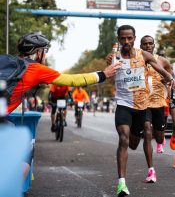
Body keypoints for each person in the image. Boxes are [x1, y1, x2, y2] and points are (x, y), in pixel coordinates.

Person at [6, 32, 121, 180]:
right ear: (38, 52)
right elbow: (72, 80)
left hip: (6, 119)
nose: (45, 56)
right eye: (45, 51)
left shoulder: (7, 63)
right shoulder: (35, 69)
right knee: (25, 151)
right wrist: (104, 74)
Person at [108, 25, 174, 197]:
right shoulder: (115, 57)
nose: (126, 41)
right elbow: (107, 72)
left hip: (142, 106)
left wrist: (170, 79)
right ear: (119, 39)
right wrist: (109, 65)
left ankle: (150, 149)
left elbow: (160, 70)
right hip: (123, 105)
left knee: (133, 143)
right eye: (123, 38)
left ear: (134, 38)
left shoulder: (143, 55)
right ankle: (121, 183)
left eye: (129, 38)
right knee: (123, 138)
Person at [139, 35, 174, 183]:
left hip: (158, 102)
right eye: (144, 44)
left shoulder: (162, 61)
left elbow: (170, 76)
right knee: (147, 132)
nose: (147, 46)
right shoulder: (137, 60)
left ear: (154, 45)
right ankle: (151, 170)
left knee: (159, 136)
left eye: (150, 44)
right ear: (140, 45)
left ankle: (161, 141)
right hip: (143, 102)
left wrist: (166, 79)